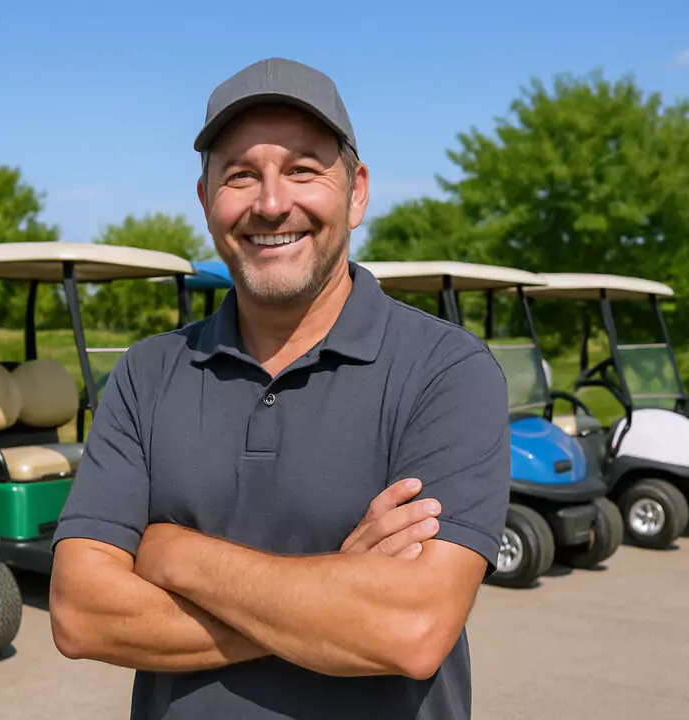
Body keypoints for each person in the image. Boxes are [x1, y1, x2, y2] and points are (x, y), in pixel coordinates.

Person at [48, 57, 510, 720]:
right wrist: (335, 597)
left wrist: (173, 552)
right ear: (207, 203)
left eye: (302, 169)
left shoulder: (447, 371)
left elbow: (410, 632)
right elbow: (81, 615)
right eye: (241, 175)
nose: (270, 204)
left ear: (355, 193)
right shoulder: (146, 373)